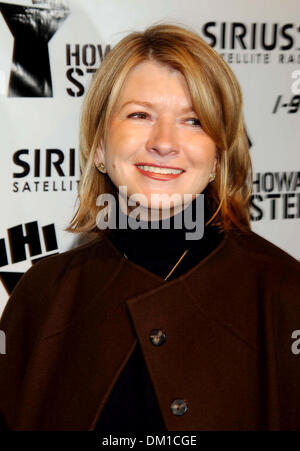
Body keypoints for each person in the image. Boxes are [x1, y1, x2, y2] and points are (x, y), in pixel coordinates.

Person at [0, 23, 299, 432]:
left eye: (193, 121)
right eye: (140, 115)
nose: (163, 142)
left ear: (217, 157)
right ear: (101, 147)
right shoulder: (40, 297)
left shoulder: (286, 293)